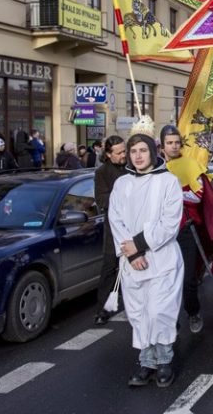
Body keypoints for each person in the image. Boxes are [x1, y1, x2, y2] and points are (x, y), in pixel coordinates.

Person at [108, 133, 184, 388]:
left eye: (143, 150)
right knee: (139, 313)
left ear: (153, 152)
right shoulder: (122, 184)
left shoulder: (169, 183)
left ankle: (164, 361)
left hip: (161, 260)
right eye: (133, 151)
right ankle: (146, 362)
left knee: (159, 311)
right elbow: (115, 219)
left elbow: (169, 223)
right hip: (132, 261)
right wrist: (131, 254)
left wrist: (139, 246)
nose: (138, 156)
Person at [161, 125, 213, 335]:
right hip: (162, 233)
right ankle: (171, 321)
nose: (174, 146)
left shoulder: (190, 165)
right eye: (169, 143)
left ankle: (193, 310)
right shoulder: (157, 168)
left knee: (188, 279)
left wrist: (173, 194)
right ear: (162, 145)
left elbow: (197, 197)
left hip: (187, 229)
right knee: (166, 282)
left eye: (177, 142)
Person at [93, 136, 128, 325]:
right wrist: (125, 198)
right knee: (108, 269)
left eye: (124, 151)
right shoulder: (102, 173)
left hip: (136, 226)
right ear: (108, 154)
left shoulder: (133, 166)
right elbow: (102, 200)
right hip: (113, 229)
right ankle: (103, 310)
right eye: (119, 153)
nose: (124, 155)